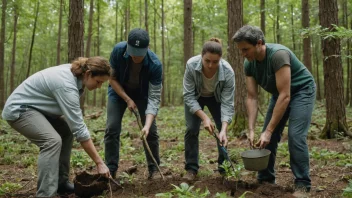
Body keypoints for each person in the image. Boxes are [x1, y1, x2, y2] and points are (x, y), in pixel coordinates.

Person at [1, 57, 111, 197]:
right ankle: (46, 194)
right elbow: (80, 130)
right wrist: (99, 162)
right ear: (88, 73)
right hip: (19, 110)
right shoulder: (66, 85)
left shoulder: (76, 76)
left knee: (66, 131)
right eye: (98, 82)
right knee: (51, 141)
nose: (99, 86)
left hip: (37, 109)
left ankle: (61, 183)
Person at [232, 25, 316, 196]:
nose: (243, 54)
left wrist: (269, 130)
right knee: (265, 138)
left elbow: (286, 95)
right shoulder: (249, 64)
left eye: (246, 49)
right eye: (240, 50)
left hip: (302, 91)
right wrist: (251, 129)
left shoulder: (278, 55)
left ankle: (302, 184)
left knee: (295, 135)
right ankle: (265, 179)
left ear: (259, 43)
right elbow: (252, 97)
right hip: (280, 95)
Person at [105, 28, 162, 179]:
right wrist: (127, 99)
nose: (136, 56)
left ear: (147, 48)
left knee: (151, 132)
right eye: (133, 51)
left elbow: (154, 98)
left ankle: (154, 169)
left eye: (140, 53)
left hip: (143, 96)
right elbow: (111, 78)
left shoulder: (155, 64)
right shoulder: (118, 51)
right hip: (118, 92)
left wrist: (147, 125)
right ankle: (110, 170)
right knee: (112, 127)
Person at [182, 38, 235, 181]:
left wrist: (224, 128)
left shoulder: (228, 71)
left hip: (216, 98)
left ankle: (224, 168)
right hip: (195, 97)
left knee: (221, 130)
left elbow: (227, 103)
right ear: (201, 56)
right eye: (207, 61)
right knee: (192, 129)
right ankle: (191, 169)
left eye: (215, 62)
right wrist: (204, 118)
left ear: (220, 59)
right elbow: (188, 95)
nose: (211, 65)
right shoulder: (191, 65)